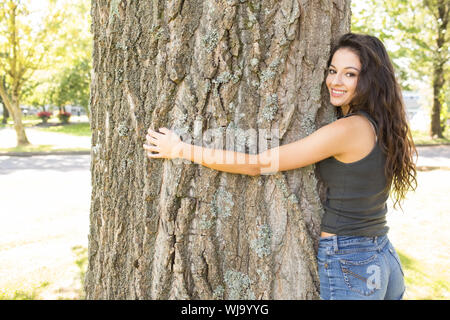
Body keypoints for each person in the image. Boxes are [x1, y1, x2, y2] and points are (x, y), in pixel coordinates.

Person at [143, 33, 417, 300]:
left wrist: (180, 149)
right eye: (332, 70)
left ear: (369, 79)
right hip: (382, 256)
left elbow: (259, 164)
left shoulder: (347, 129)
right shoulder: (382, 124)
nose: (335, 81)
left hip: (351, 260)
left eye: (350, 74)